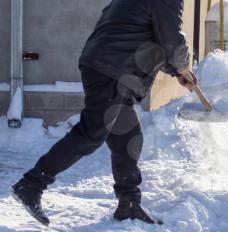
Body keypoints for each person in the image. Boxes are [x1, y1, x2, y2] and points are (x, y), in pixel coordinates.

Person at [11, 0, 197, 226]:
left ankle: (128, 202)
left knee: (128, 134)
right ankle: (31, 185)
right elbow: (171, 42)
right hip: (112, 68)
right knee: (91, 134)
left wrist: (176, 71)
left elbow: (143, 34)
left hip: (107, 64)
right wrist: (182, 66)